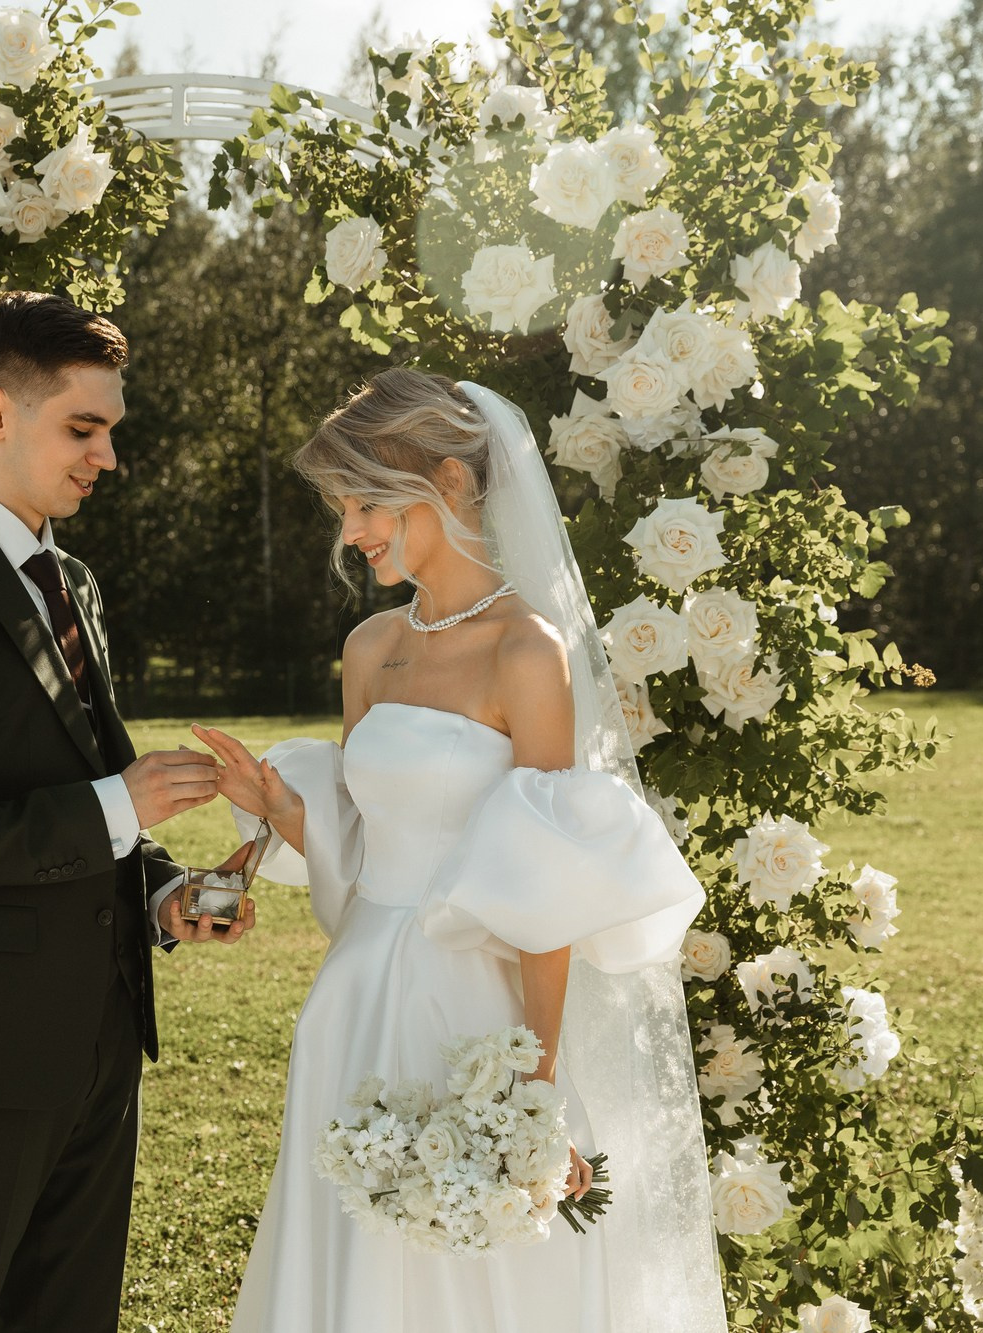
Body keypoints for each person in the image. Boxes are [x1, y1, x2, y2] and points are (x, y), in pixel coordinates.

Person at [191, 368, 728, 1332]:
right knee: (351, 1247)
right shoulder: (368, 648)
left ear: (447, 480)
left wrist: (538, 1079)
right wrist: (279, 804)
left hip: (473, 1014)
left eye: (364, 501)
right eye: (341, 506)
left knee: (470, 1275)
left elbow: (547, 884)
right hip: (354, 997)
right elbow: (362, 867)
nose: (350, 530)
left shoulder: (526, 650)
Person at [0, 291, 258, 1333]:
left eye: (108, 430)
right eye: (83, 428)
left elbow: (83, 791)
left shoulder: (72, 583)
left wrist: (163, 892)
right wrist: (116, 803)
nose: (104, 456)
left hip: (99, 1032)